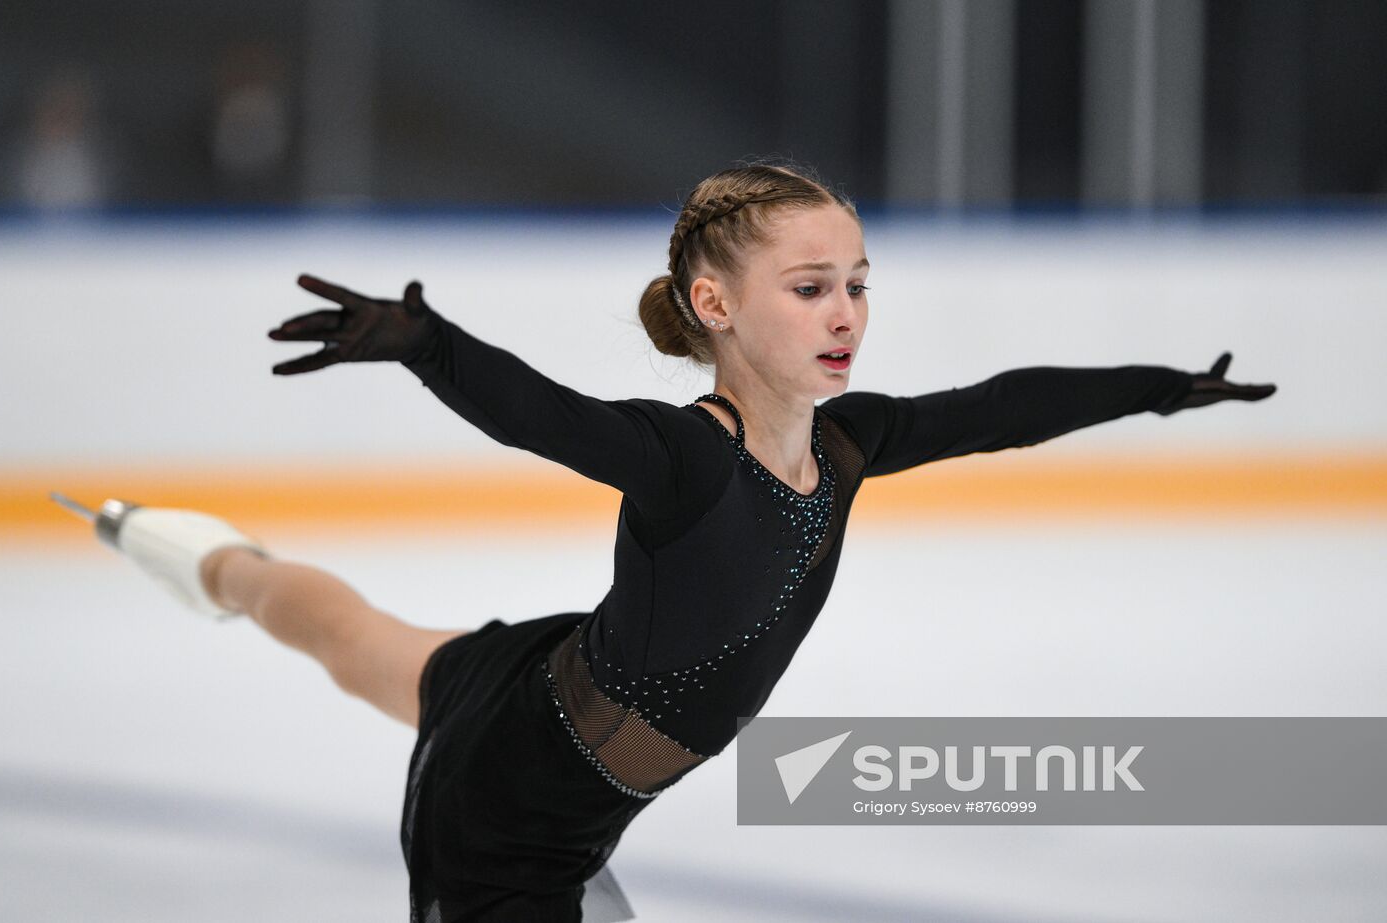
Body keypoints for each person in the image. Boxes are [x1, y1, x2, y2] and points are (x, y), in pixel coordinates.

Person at [122, 159, 1275, 921]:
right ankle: (211, 561)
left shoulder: (851, 443)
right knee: (349, 639)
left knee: (345, 630)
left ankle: (213, 560)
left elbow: (1000, 407)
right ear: (714, 305)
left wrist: (1160, 388)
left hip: (541, 675)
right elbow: (546, 415)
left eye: (858, 286)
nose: (845, 315)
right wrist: (431, 344)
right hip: (512, 822)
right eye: (811, 286)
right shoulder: (684, 457)